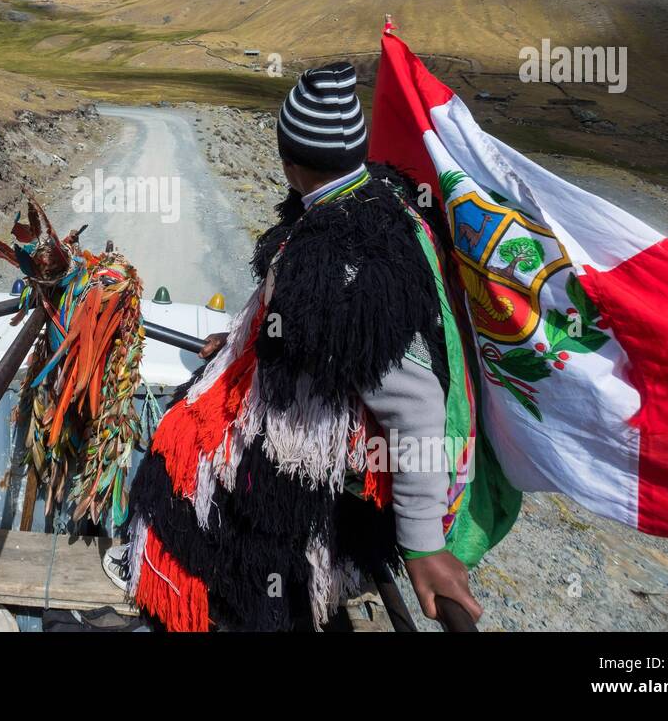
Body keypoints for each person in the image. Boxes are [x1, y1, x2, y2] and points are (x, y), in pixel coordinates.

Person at [116, 62, 483, 631]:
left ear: (290, 162)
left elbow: (415, 405)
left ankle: (209, 597)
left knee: (180, 454)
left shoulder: (343, 262)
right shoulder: (375, 197)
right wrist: (247, 340)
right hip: (314, 436)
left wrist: (422, 542)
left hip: (304, 471)